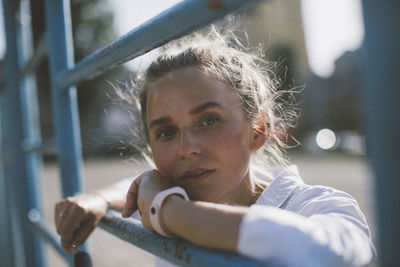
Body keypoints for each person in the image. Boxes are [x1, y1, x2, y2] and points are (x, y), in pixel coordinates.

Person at [55, 26, 376, 266]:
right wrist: (100, 197)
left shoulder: (316, 205)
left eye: (209, 121)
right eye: (166, 131)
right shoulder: (170, 191)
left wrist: (166, 211)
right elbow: (137, 188)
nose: (187, 148)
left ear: (259, 129)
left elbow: (331, 255)